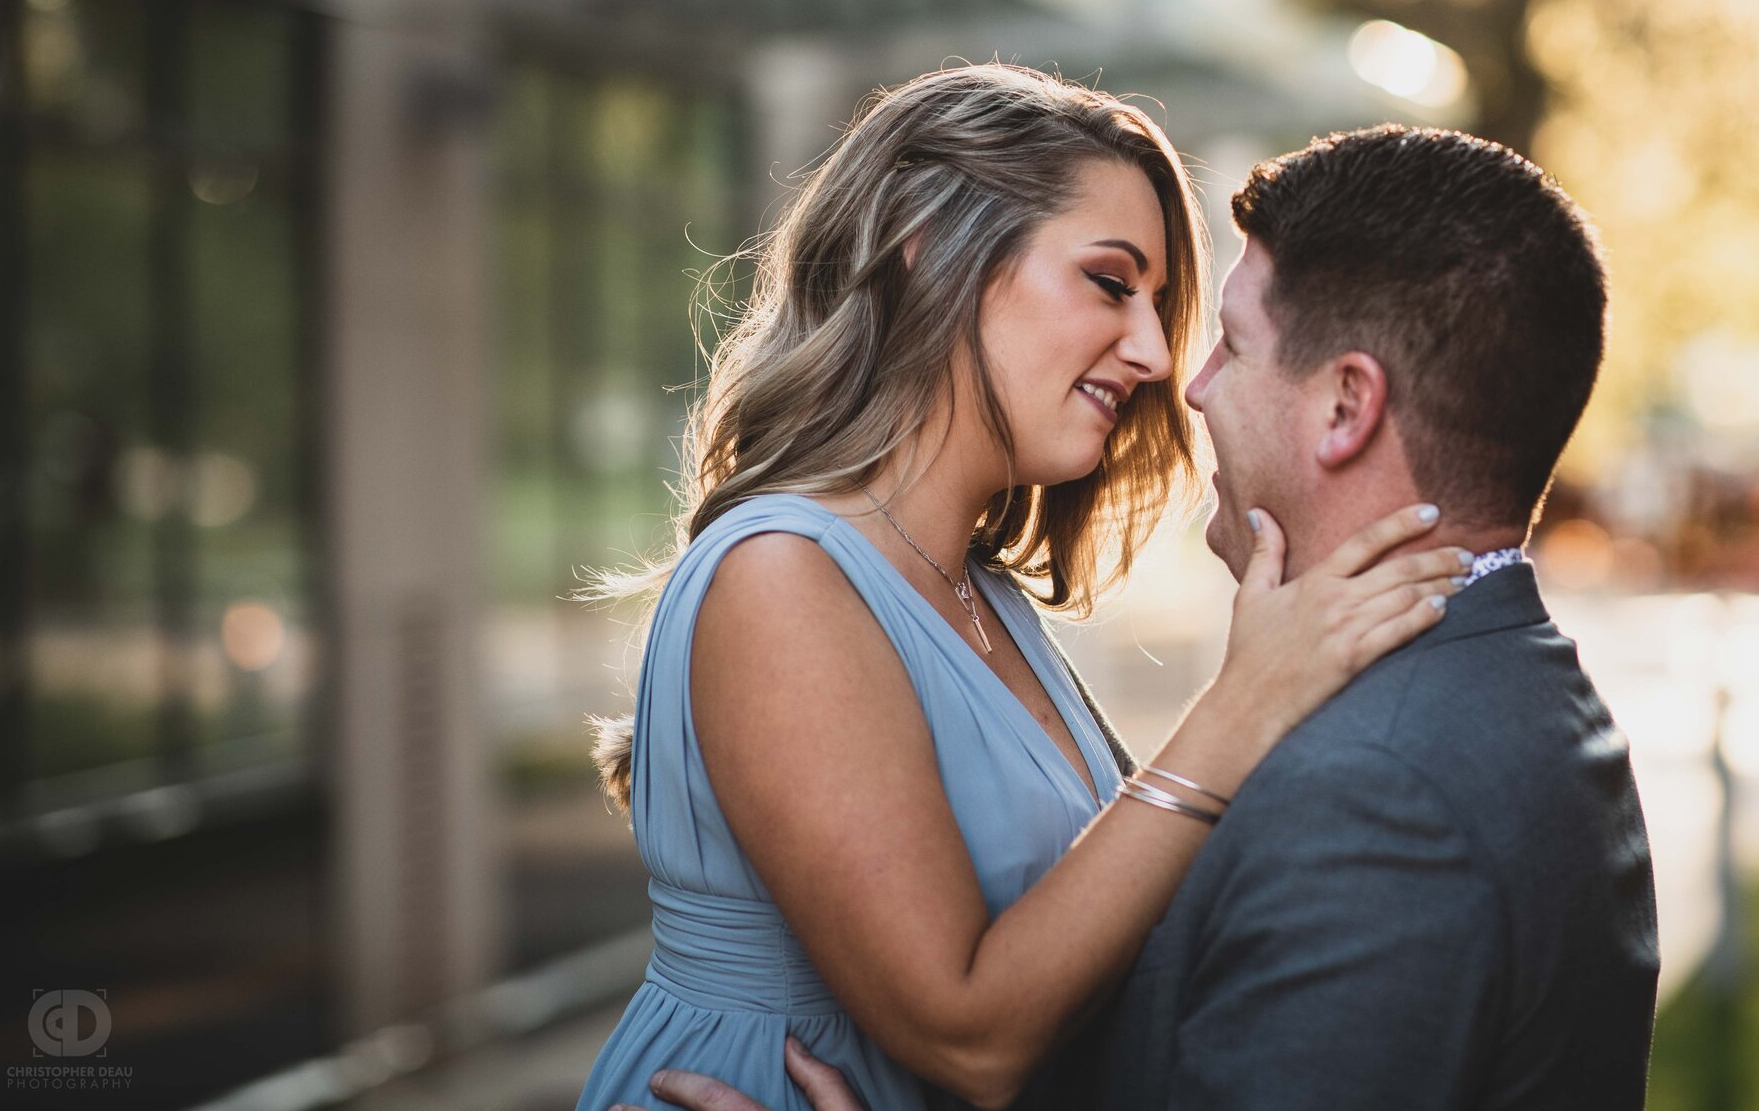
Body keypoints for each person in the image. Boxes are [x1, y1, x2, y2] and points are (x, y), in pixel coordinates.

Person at [621, 124, 1661, 1111]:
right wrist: (1239, 703)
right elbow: (979, 1025)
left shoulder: (985, 595)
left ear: (1346, 405)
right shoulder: (784, 572)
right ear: (927, 256)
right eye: (1111, 282)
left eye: (1201, 328)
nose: (1167, 364)